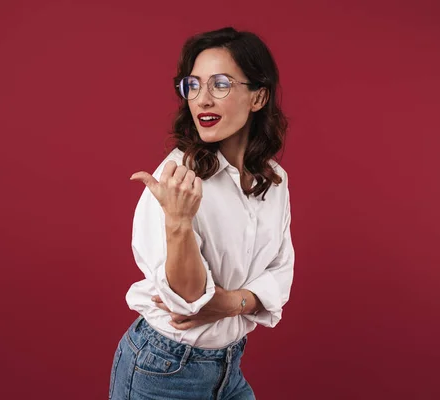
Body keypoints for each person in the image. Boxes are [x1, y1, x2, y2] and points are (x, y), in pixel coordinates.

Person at [109, 26, 295, 400]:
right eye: (192, 85)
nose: (202, 99)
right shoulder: (176, 179)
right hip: (163, 369)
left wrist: (228, 302)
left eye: (220, 84)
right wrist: (178, 223)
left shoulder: (273, 179)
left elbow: (281, 275)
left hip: (228, 366)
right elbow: (186, 302)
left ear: (258, 97)